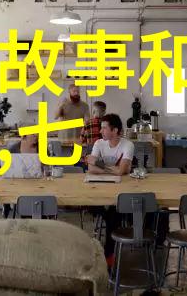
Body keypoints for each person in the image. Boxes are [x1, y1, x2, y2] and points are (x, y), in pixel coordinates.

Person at [85, 113, 135, 266]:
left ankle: (109, 255)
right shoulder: (99, 143)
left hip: (119, 191)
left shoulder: (127, 145)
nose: (100, 131)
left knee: (114, 212)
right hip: (98, 191)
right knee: (110, 214)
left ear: (115, 130)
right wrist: (115, 169)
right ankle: (109, 254)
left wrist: (100, 164)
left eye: (104, 128)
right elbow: (90, 168)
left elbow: (121, 171)